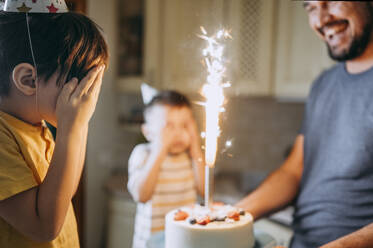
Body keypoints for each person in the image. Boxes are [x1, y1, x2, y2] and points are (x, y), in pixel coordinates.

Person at [236, 1, 373, 247]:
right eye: (310, 8)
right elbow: (293, 171)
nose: (320, 20)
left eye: (330, 2)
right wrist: (235, 215)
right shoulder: (323, 84)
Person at [0, 9, 108, 248]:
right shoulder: (3, 136)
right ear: (29, 80)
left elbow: (65, 189)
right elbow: (44, 227)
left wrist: (79, 125)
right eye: (80, 85)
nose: (86, 97)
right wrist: (73, 127)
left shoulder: (35, 123)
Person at [127, 90, 205, 248]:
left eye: (184, 126)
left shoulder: (191, 157)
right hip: (150, 243)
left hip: (185, 241)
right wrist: (159, 150)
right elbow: (141, 195)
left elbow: (205, 190)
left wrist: (195, 146)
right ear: (147, 132)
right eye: (169, 127)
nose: (177, 133)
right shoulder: (143, 154)